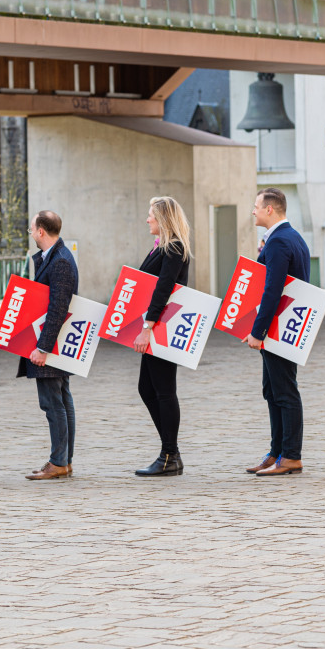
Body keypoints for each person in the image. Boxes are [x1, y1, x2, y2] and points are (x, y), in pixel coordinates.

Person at [244, 188, 310, 476]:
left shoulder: (280, 241)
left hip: (279, 328)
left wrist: (258, 331)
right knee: (272, 390)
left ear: (270, 209)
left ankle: (291, 455)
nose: (253, 210)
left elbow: (273, 289)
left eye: (257, 206)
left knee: (285, 392)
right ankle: (277, 451)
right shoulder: (288, 237)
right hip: (280, 327)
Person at [132, 196, 192, 477]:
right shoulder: (162, 248)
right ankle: (170, 451)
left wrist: (147, 327)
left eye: (151, 216)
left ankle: (170, 455)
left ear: (163, 219)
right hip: (157, 329)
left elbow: (163, 289)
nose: (147, 220)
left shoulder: (174, 248)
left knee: (165, 391)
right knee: (147, 389)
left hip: (163, 329)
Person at [20, 211, 79, 481]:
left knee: (53, 403)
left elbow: (58, 308)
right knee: (61, 401)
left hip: (51, 347)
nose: (31, 233)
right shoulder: (55, 258)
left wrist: (43, 348)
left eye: (32, 229)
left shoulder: (61, 261)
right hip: (52, 344)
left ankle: (58, 462)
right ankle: (62, 461)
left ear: (41, 231)